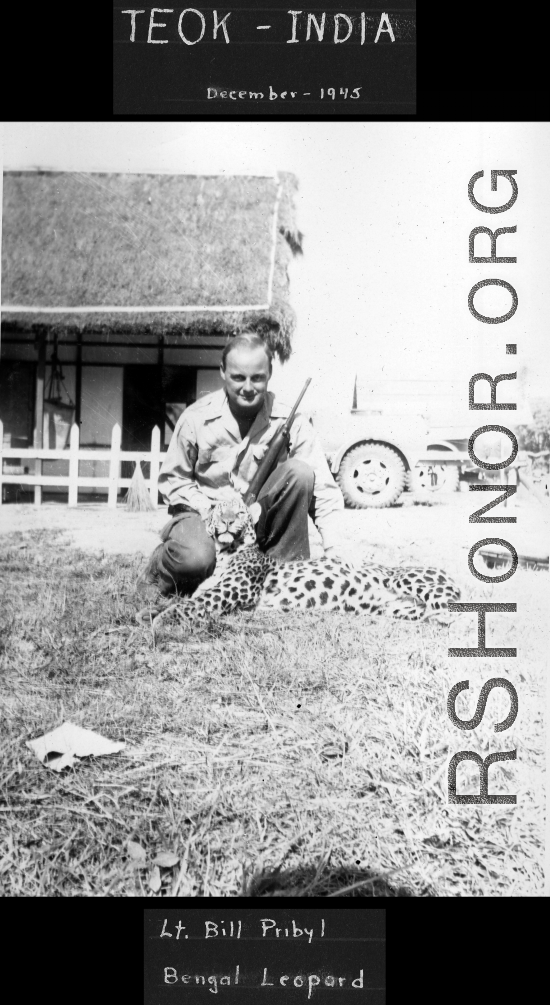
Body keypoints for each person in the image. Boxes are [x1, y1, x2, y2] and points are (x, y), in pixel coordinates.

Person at [141, 332, 346, 596]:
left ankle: (281, 577)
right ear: (223, 372)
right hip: (205, 516)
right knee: (196, 558)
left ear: (269, 374)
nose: (247, 387)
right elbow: (173, 480)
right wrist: (213, 513)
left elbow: (323, 487)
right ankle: (160, 570)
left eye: (257, 378)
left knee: (299, 472)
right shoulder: (196, 418)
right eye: (238, 377)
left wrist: (334, 549)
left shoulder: (291, 421)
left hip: (256, 521)